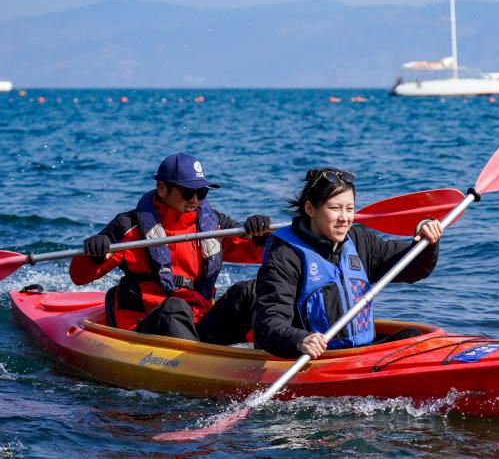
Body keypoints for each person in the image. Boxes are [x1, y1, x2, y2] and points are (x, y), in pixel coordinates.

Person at [69, 152, 271, 344]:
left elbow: (256, 254)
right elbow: (79, 276)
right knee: (175, 307)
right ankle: (195, 370)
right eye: (187, 192)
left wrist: (261, 237)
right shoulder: (128, 226)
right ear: (162, 189)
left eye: (201, 192)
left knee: (251, 291)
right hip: (147, 326)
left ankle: (274, 352)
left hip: (198, 325)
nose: (195, 200)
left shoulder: (214, 223)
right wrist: (94, 256)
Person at [253, 167, 443, 359]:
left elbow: (413, 268)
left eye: (349, 208)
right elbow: (267, 322)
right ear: (310, 209)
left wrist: (426, 240)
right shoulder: (285, 254)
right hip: (316, 358)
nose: (344, 218)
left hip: (362, 353)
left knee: (412, 337)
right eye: (335, 208)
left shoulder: (359, 241)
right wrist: (300, 340)